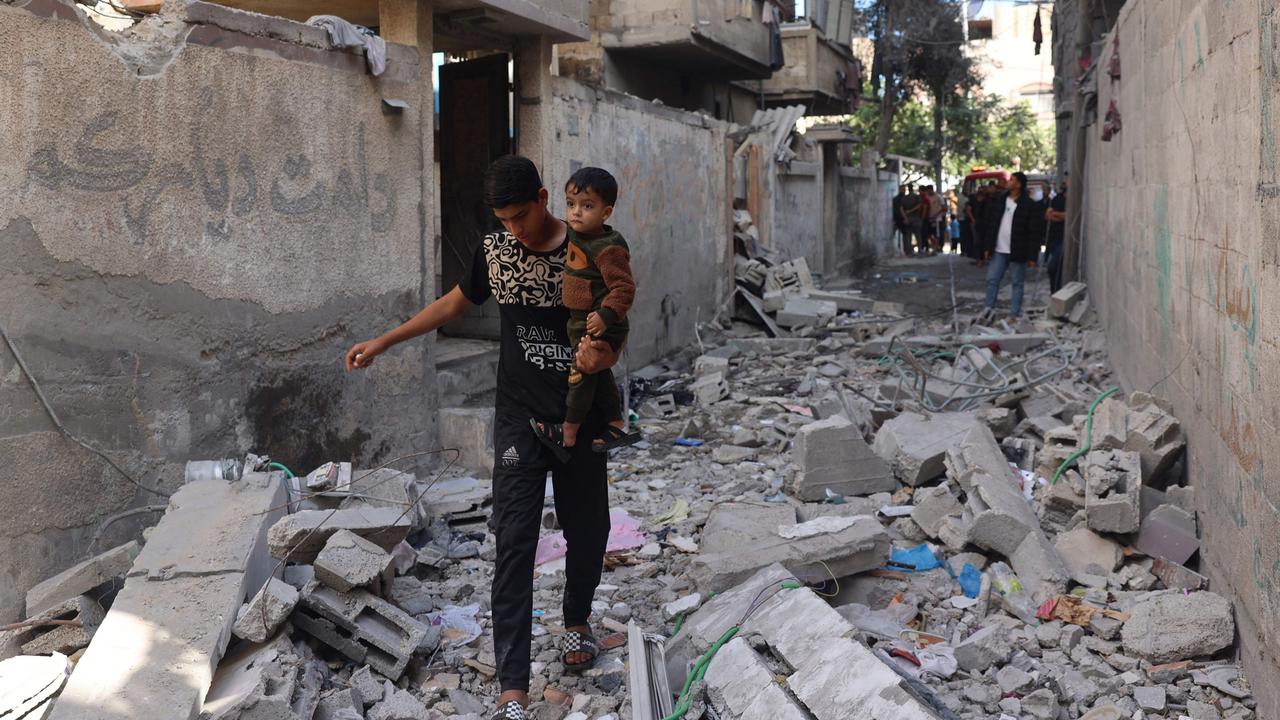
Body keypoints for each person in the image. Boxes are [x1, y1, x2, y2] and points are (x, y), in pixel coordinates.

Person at [343, 156, 616, 720]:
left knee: (588, 530)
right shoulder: (496, 252)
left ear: (544, 197)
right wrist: (387, 340)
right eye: (504, 220)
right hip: (519, 416)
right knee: (514, 540)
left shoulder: (592, 246)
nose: (514, 229)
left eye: (521, 216)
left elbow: (619, 314)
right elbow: (455, 303)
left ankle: (576, 623)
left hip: (581, 413)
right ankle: (512, 684)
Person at [530, 167, 640, 458]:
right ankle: (616, 424)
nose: (576, 212)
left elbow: (625, 288)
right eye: (570, 204)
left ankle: (567, 431)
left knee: (579, 375)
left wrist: (605, 316)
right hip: (582, 321)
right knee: (599, 375)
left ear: (606, 213)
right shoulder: (578, 233)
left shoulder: (607, 248)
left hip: (599, 324)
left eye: (587, 206)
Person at [983, 171, 1046, 318]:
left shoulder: (1029, 205)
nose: (1008, 182)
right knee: (992, 279)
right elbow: (992, 225)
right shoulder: (1000, 201)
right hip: (999, 249)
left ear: (1018, 184)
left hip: (1018, 250)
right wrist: (987, 247)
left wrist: (1032, 256)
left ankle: (1014, 314)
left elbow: (1033, 233)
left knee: (1017, 283)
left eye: (1012, 180)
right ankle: (988, 309)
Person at [1044, 174, 1068, 293]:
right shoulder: (1057, 199)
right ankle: (1054, 292)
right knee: (1052, 269)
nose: (1064, 182)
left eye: (1067, 179)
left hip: (1066, 240)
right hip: (1055, 239)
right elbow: (1048, 215)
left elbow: (1070, 216)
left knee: (1055, 267)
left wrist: (1057, 215)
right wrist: (1061, 216)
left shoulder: (1074, 198)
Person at [899, 184, 924, 256]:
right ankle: (919, 250)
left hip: (908, 218)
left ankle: (909, 251)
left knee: (908, 235)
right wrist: (911, 211)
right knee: (918, 235)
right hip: (915, 218)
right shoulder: (916, 197)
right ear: (912, 189)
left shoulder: (904, 198)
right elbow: (919, 205)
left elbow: (901, 209)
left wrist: (905, 217)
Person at [891, 185, 908, 250]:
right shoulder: (903, 198)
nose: (904, 191)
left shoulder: (895, 199)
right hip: (901, 219)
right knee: (905, 235)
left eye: (904, 189)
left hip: (896, 219)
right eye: (903, 189)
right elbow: (901, 209)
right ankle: (905, 250)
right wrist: (905, 218)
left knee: (894, 235)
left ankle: (895, 249)